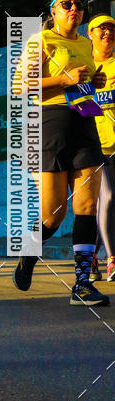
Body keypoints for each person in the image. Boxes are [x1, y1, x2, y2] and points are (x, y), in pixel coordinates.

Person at [12, 0, 110, 306]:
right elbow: (20, 86)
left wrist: (91, 82)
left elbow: (85, 79)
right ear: (53, 11)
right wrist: (63, 80)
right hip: (49, 123)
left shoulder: (85, 42)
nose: (74, 9)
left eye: (79, 5)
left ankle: (82, 283)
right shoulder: (40, 41)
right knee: (54, 215)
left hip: (84, 121)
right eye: (66, 3)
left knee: (87, 207)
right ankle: (29, 252)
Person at [88, 14, 115, 282]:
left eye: (111, 29)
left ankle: (91, 256)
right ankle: (112, 259)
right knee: (107, 198)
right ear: (91, 35)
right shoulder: (84, 68)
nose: (107, 33)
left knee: (101, 205)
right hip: (94, 146)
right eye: (102, 29)